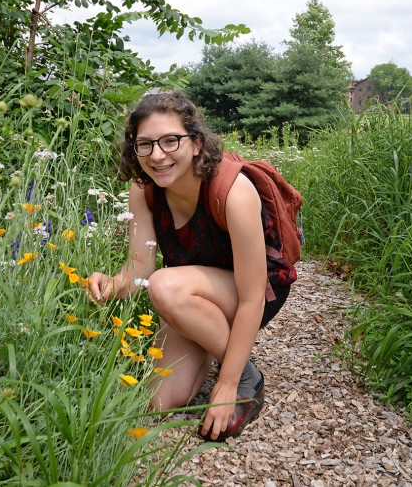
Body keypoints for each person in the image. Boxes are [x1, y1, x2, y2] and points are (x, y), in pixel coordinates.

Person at [88, 91, 296, 442]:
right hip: (188, 293)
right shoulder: (144, 189)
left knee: (165, 285)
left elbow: (251, 298)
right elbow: (140, 266)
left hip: (256, 292)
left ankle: (245, 376)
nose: (157, 155)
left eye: (171, 141)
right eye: (145, 144)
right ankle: (213, 345)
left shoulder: (232, 191)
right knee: (160, 402)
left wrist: (228, 383)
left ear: (196, 143)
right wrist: (111, 283)